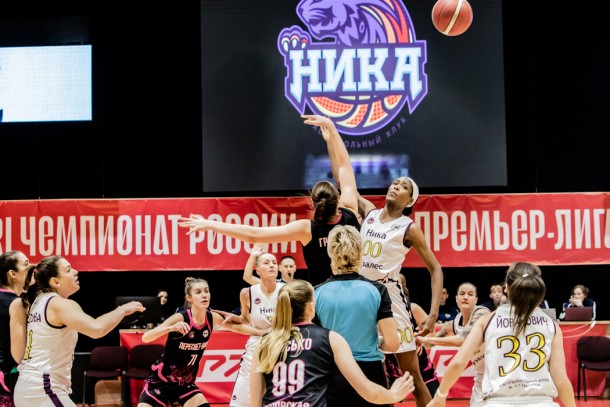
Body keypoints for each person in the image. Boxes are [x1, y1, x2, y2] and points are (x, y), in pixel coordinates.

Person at [178, 114, 361, 287]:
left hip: (322, 297)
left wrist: (210, 224)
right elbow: (345, 167)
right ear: (338, 198)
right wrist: (332, 129)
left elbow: (254, 234)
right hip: (357, 289)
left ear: (312, 203)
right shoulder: (350, 213)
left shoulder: (307, 229)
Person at [426, 262, 576, 407]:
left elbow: (458, 363)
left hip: (497, 401)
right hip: (542, 402)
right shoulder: (551, 325)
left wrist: (440, 396)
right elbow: (561, 380)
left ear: (507, 288)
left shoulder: (486, 321)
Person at [251, 279, 415, 407]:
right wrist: (394, 394)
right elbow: (368, 392)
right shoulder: (329, 338)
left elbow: (255, 401)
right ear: (311, 307)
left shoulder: (264, 342)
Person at [356, 175, 444, 407]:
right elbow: (346, 182)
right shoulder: (370, 213)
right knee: (367, 371)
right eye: (395, 183)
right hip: (360, 295)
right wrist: (335, 149)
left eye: (404, 187)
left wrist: (433, 314)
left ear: (409, 201)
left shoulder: (409, 228)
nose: (396, 186)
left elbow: (436, 269)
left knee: (411, 374)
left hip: (389, 296)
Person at [13, 255, 144, 407]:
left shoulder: (39, 302)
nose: (76, 272)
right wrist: (122, 310)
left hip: (29, 386)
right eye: (68, 270)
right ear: (55, 282)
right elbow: (97, 329)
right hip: (43, 389)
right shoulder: (58, 304)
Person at [137, 277, 265, 407]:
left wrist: (264, 332)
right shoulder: (180, 318)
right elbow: (145, 337)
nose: (204, 295)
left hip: (185, 384)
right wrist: (170, 328)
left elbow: (239, 328)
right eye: (198, 292)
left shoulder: (211, 317)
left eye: (206, 291)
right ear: (189, 298)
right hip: (160, 382)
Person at [314, 225, 399, 407]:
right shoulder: (378, 290)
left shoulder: (316, 293)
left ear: (331, 254)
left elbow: (315, 344)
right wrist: (375, 342)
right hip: (370, 374)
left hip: (332, 375)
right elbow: (393, 343)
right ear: (360, 253)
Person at [417, 282, 490, 406]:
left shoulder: (482, 313)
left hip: (496, 373)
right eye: (462, 293)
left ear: (476, 299)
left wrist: (427, 340)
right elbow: (432, 343)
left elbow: (463, 339)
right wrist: (417, 340)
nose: (465, 297)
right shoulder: (453, 323)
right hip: (480, 376)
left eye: (470, 294)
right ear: (456, 299)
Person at [230, 251, 284, 407]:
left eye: (274, 262)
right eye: (266, 263)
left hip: (281, 346)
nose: (272, 265)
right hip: (255, 346)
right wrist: (234, 319)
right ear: (258, 271)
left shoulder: (287, 291)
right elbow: (246, 319)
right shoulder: (248, 293)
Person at [386, 273, 440, 396]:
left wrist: (420, 341)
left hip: (420, 368)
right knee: (384, 401)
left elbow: (432, 339)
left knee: (433, 402)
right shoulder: (378, 311)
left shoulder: (413, 308)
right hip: (392, 369)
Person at [0, 251, 32, 407]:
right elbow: (19, 356)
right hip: (5, 377)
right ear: (12, 273)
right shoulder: (17, 303)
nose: (32, 269)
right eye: (26, 265)